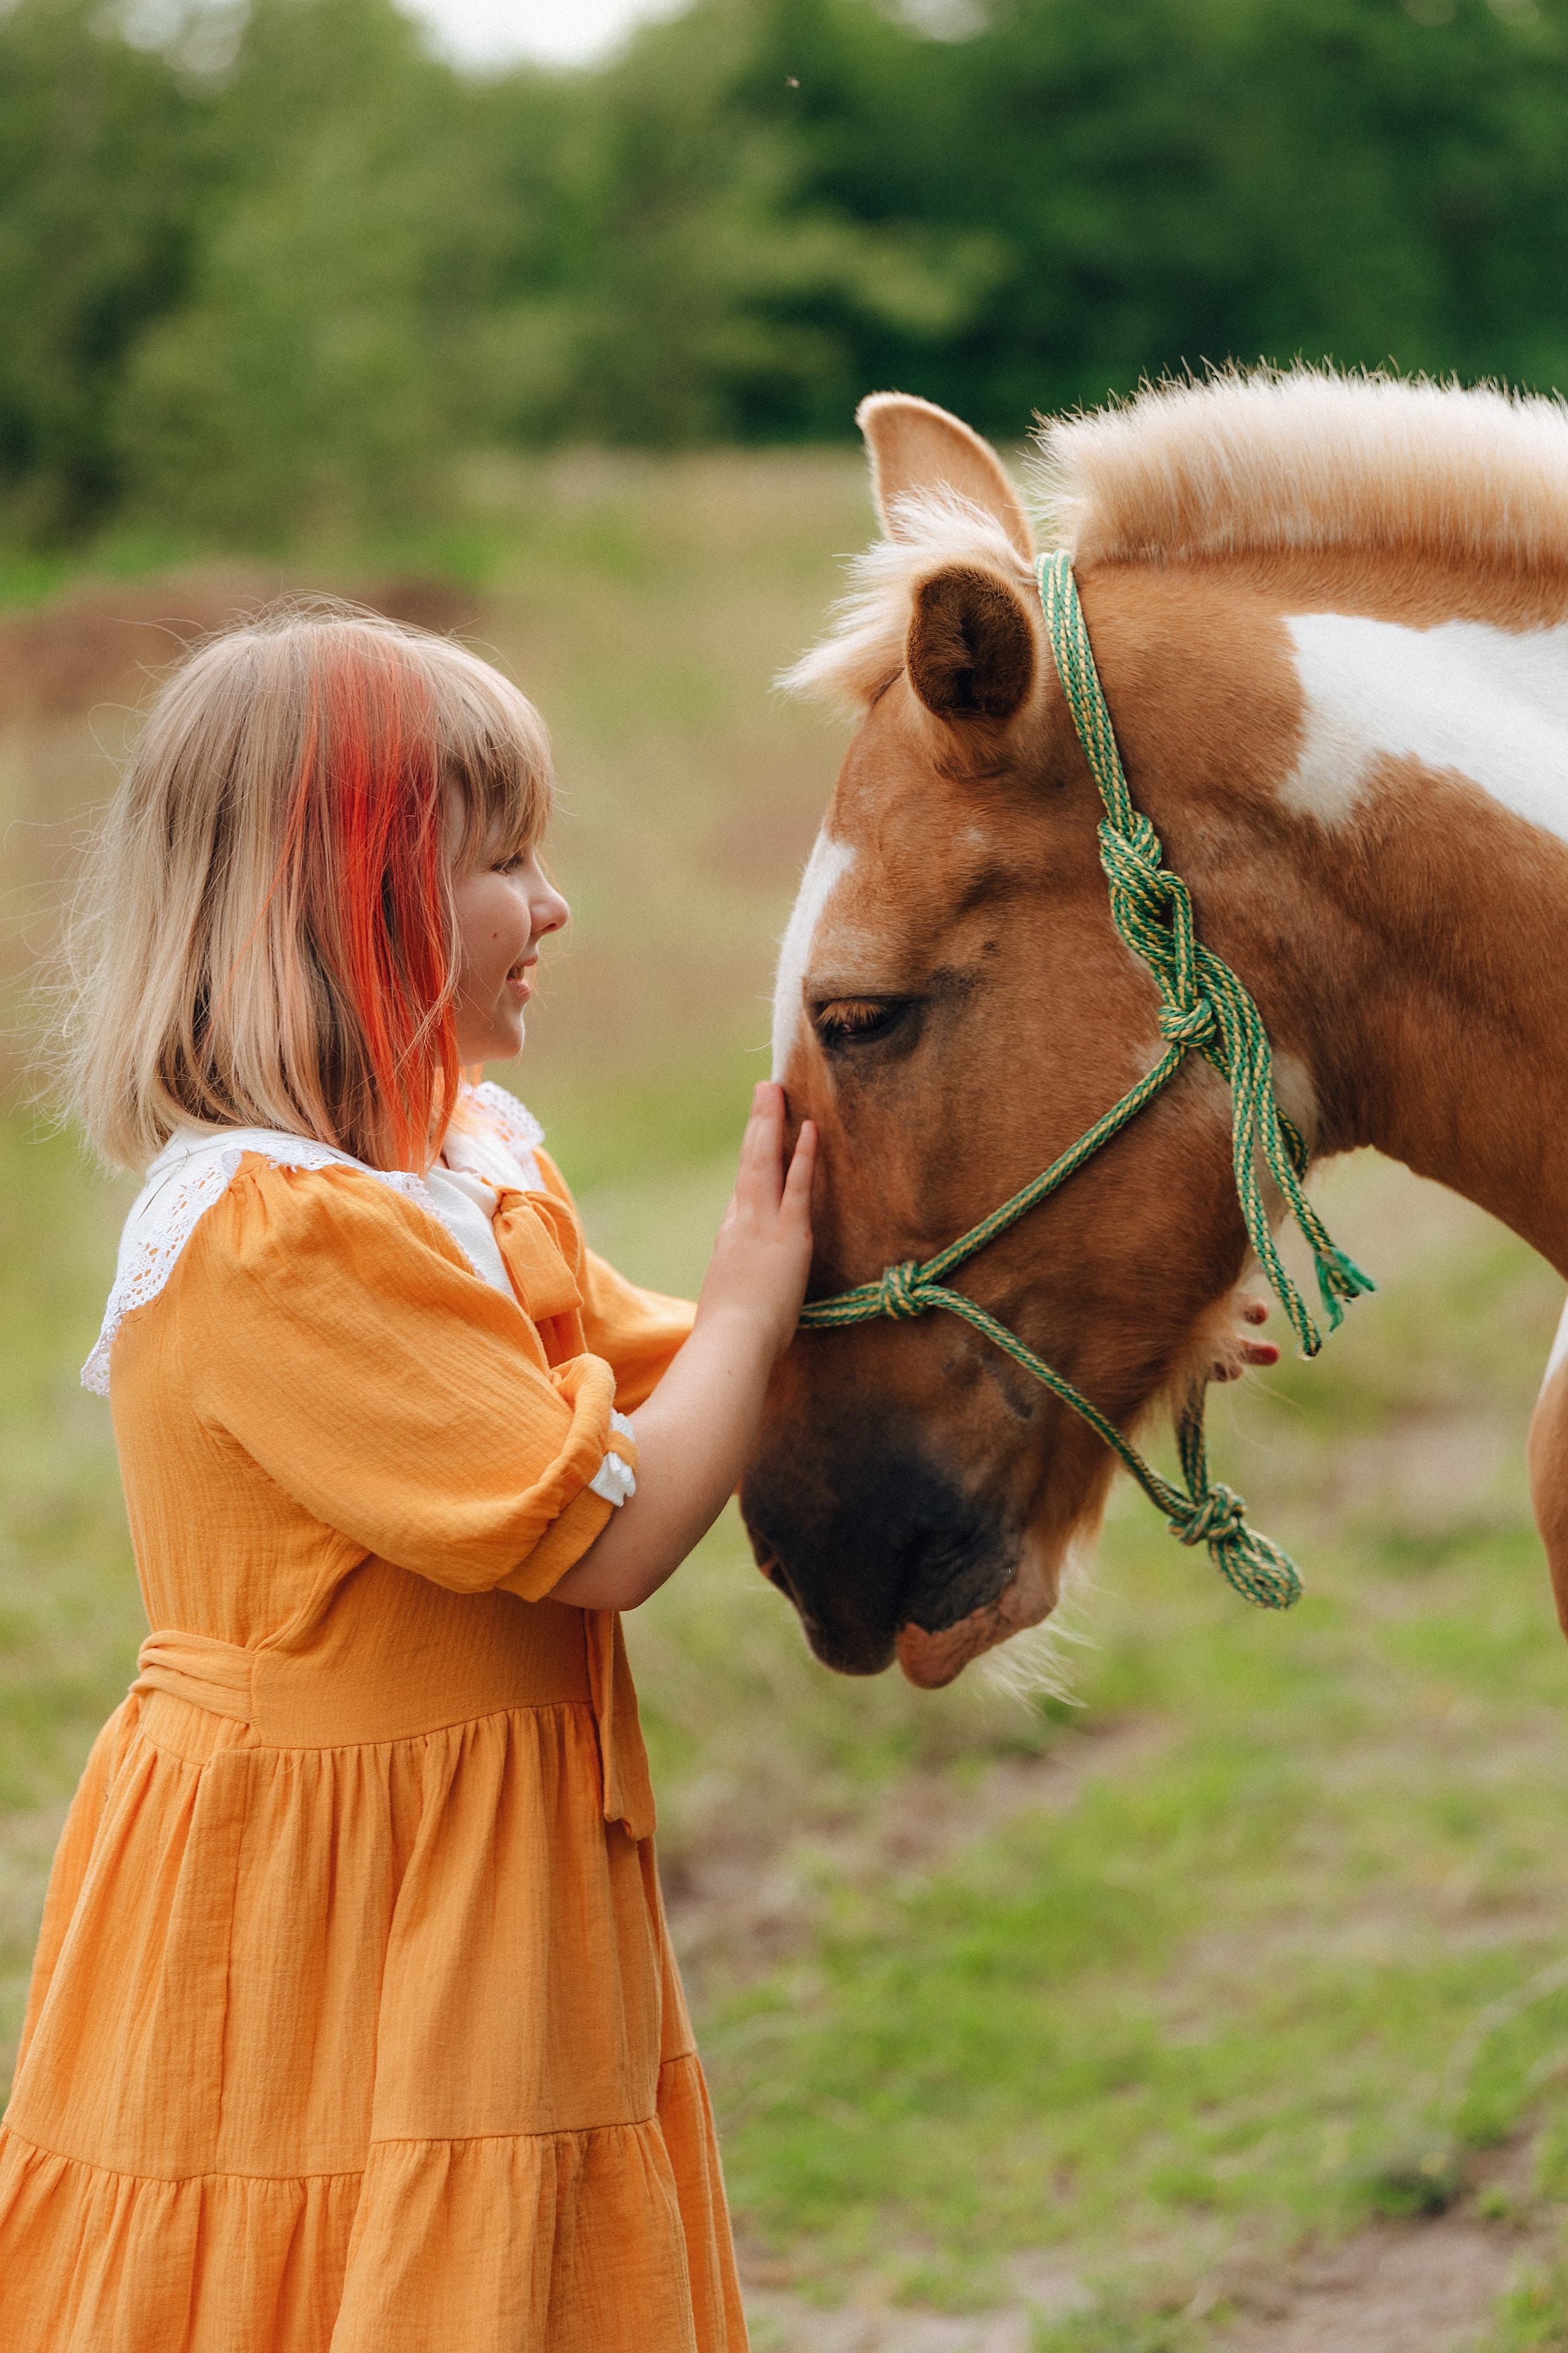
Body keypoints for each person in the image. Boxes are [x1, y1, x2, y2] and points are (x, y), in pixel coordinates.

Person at [0, 606, 815, 2352]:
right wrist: (755, 1296)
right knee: (330, 2274)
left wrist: (1014, 1326)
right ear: (346, 903)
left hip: (475, 1856)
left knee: (496, 2277)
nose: (558, 905)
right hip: (317, 1888)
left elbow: (684, 1374)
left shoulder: (468, 1162)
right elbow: (608, 1525)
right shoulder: (268, 1239)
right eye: (505, 859)